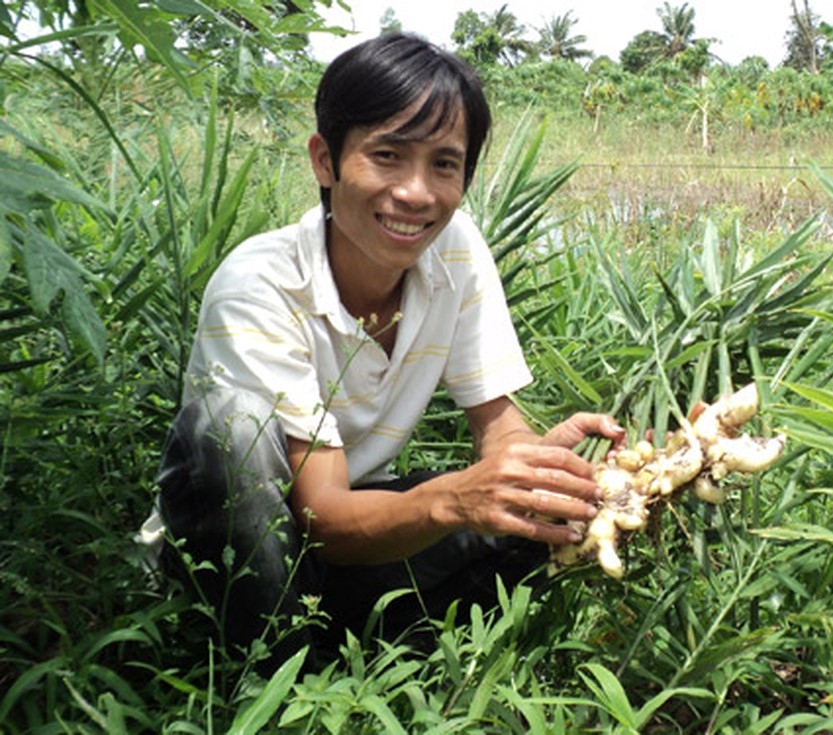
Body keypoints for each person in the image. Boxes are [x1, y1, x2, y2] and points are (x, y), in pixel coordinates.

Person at [142, 31, 625, 673]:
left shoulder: (452, 247)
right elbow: (322, 517)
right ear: (325, 160)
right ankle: (265, 676)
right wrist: (455, 498)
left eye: (444, 165)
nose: (416, 194)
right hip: (233, 549)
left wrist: (530, 471)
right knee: (228, 425)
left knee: (524, 522)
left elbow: (497, 422)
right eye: (388, 155)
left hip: (347, 532)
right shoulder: (258, 285)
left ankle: (365, 654)